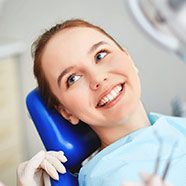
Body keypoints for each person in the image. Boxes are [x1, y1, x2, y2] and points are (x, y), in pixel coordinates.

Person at [17, 19, 186, 186]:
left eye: (100, 55)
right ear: (66, 112)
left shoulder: (173, 126)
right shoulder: (111, 178)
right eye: (73, 79)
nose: (97, 78)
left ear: (129, 59)